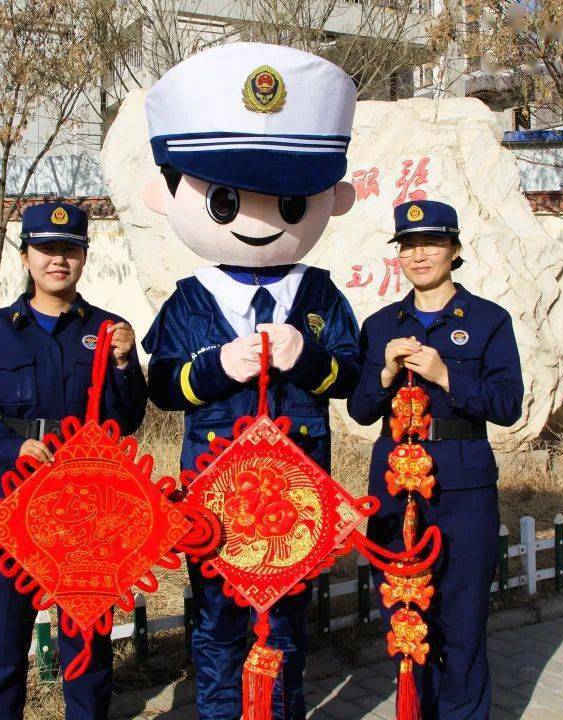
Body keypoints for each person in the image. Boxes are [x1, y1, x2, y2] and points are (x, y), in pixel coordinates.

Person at [139, 43, 362, 720]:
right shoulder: (188, 301)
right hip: (211, 489)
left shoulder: (321, 296)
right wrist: (215, 368)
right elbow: (162, 385)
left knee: (289, 623)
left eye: (292, 202)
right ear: (166, 196)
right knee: (216, 622)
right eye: (226, 199)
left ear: (333, 200)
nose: (263, 221)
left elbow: (349, 376)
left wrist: (309, 359)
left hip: (297, 491)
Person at [0, 201, 147, 720]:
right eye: (46, 249)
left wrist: (124, 364)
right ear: (25, 257)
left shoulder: (108, 330)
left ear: (83, 257)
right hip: (12, 493)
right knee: (2, 636)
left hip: (88, 504)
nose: (58, 260)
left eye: (70, 249)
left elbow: (127, 419)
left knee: (87, 640)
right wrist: (10, 447)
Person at [347, 200, 524, 719]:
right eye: (408, 246)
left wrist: (447, 375)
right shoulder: (381, 325)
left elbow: (507, 405)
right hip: (393, 489)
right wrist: (384, 375)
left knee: (462, 618)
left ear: (455, 251)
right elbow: (359, 410)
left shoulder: (488, 321)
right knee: (405, 615)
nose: (419, 255)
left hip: (462, 484)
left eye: (432, 244)